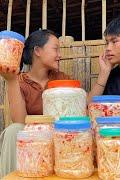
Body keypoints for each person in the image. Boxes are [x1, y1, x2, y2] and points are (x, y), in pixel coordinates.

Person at [0, 29, 70, 177]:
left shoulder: (62, 79)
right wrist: (11, 80)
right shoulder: (20, 82)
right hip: (32, 142)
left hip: (60, 137)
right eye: (55, 49)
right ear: (38, 51)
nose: (60, 55)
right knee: (14, 130)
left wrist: (103, 74)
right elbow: (20, 122)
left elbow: (83, 105)